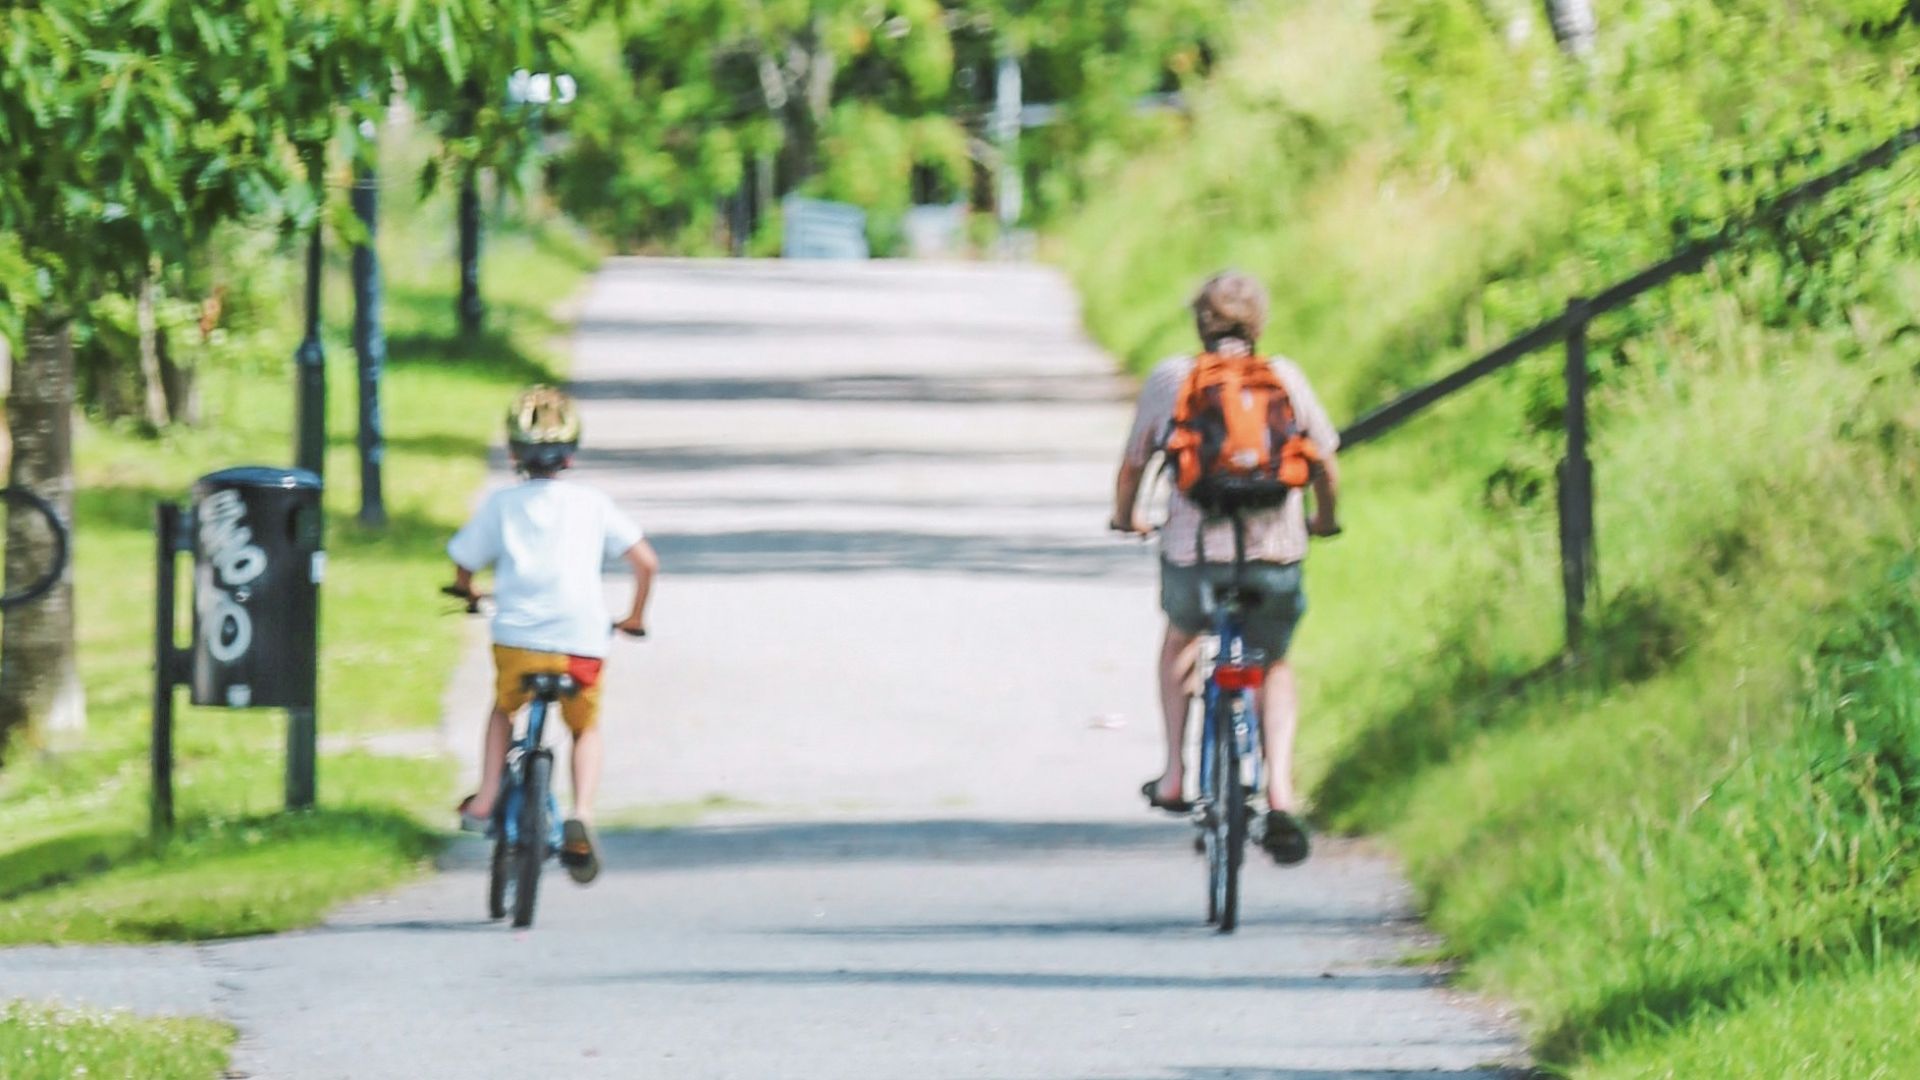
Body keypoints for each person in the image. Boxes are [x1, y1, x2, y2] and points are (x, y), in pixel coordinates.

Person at [1109, 271, 1341, 865]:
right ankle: (1281, 792)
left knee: (1181, 641)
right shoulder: (1283, 377)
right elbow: (1323, 458)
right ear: (1257, 322)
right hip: (1274, 555)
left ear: (1200, 323)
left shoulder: (1173, 378)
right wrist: (1324, 519)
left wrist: (1125, 517)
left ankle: (1175, 774)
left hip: (1194, 557)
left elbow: (1136, 462)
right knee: (1275, 663)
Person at [447, 385, 659, 884]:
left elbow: (462, 561)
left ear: (513, 452)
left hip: (517, 639)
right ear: (571, 453)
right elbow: (646, 562)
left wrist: (468, 592)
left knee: (504, 708)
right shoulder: (593, 504)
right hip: (581, 643)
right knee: (584, 726)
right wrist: (633, 617)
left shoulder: (502, 505)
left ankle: (485, 796)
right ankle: (581, 810)